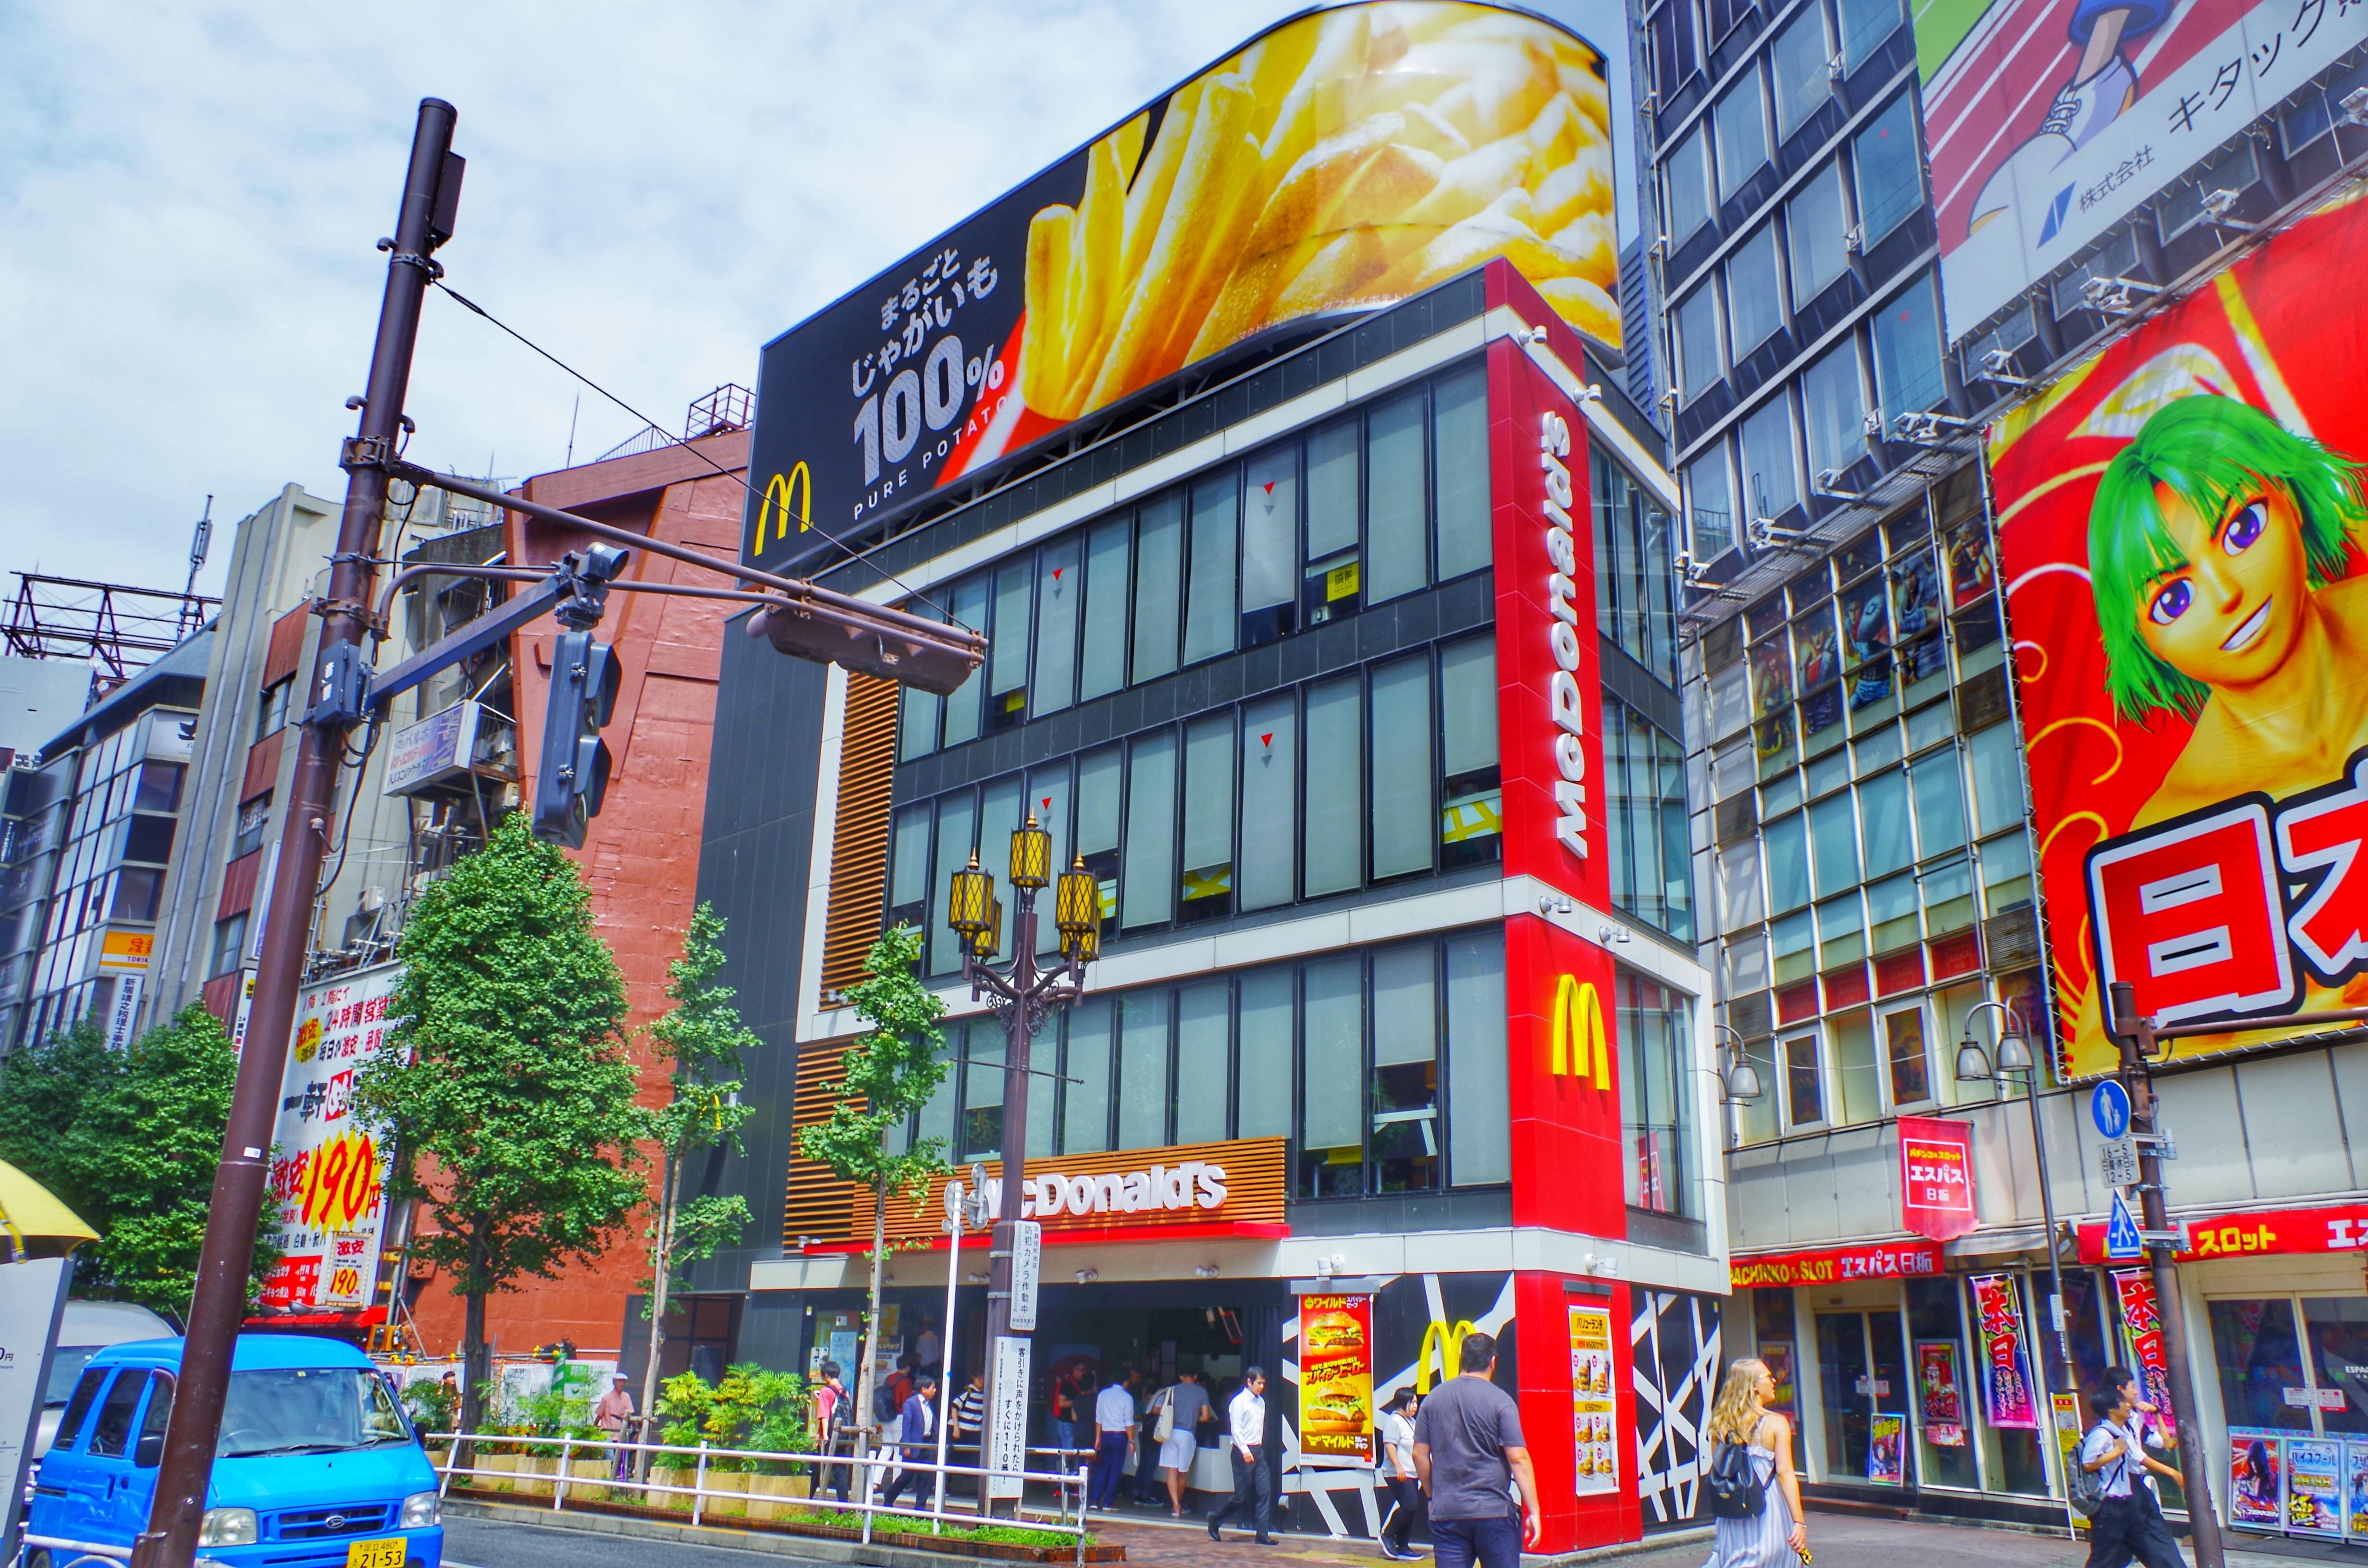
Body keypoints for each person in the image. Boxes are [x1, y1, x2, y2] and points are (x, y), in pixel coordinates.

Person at [2066, 394, 2368, 1051]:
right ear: (2143, 642)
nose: (2227, 595)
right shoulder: (2178, 822)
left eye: (2241, 530)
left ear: (2290, 499)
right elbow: (2100, 1051)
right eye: (2174, 597)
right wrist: (2277, 1019)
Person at [1412, 1332, 1539, 1568]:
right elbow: (1519, 1459)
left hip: (1447, 1513)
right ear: (1493, 1362)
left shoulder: (1432, 1400)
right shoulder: (1501, 1401)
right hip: (1493, 1513)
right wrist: (1534, 1511)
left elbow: (1419, 1455)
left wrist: (1432, 1497)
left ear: (1462, 1359)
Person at [1698, 1358, 1806, 1568]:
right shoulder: (1776, 1423)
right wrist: (1799, 1522)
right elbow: (1785, 1473)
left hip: (1732, 1514)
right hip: (1769, 1512)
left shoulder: (1720, 1425)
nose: (1774, 1380)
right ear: (1754, 1386)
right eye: (1768, 1377)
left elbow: (1721, 1471)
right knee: (1786, 1560)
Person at [2081, 1377, 2187, 1568]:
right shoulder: (2105, 1432)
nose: (2136, 1393)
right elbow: (2089, 1463)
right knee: (2108, 1555)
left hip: (2130, 1496)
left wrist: (2157, 1413)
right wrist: (2172, 1473)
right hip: (2116, 1500)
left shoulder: (2131, 1423)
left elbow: (2166, 1443)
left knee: (2146, 1543)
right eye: (2132, 1388)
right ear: (2119, 1392)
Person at [1207, 1367, 1275, 1545]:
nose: (1262, 1387)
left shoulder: (1261, 1402)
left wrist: (1255, 1451)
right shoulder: (1239, 1402)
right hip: (1241, 1451)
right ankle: (1215, 1518)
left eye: (1263, 1384)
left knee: (1265, 1492)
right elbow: (1236, 1430)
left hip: (1258, 1452)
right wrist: (1245, 1451)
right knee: (1241, 1496)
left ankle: (1262, 1534)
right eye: (1259, 1383)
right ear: (1249, 1382)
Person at [1153, 1369, 1213, 1519]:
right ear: (1196, 1376)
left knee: (1171, 1472)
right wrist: (1193, 1418)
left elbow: (1161, 1410)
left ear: (1180, 1376)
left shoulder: (1172, 1391)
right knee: (1183, 1473)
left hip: (1170, 1433)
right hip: (1188, 1434)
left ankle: (1175, 1506)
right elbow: (1206, 1417)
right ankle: (1179, 1502)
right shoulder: (1202, 1393)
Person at [880, 1372, 940, 1510]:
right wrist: (907, 1446)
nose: (935, 1390)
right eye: (932, 1388)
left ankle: (920, 1510)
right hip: (913, 1445)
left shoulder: (930, 1404)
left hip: (927, 1445)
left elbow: (933, 1423)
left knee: (926, 1478)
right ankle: (890, 1495)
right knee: (906, 1477)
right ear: (923, 1389)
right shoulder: (911, 1403)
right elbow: (906, 1425)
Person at [1377, 1387, 1424, 1561]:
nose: (1415, 1406)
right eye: (1412, 1402)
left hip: (1412, 1472)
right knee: (1410, 1505)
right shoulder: (1394, 1421)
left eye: (1416, 1403)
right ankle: (1388, 1536)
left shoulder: (1411, 1421)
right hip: (1397, 1472)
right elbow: (1390, 1445)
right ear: (1402, 1402)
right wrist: (1398, 1467)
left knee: (1411, 1509)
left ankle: (1403, 1546)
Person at [1089, 1366, 1136, 1510]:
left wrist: (1098, 1438)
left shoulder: (1103, 1394)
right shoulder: (1127, 1397)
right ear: (1126, 1382)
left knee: (1103, 1468)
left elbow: (1099, 1419)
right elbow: (1129, 1422)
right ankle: (1109, 1502)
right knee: (1115, 1470)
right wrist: (1131, 1441)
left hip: (1105, 1436)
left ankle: (1094, 1501)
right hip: (1120, 1437)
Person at [813, 1361, 852, 1503]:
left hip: (829, 1438)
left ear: (827, 1376)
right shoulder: (845, 1390)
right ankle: (843, 1509)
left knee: (815, 1470)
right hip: (842, 1436)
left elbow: (824, 1415)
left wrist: (824, 1437)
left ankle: (807, 1503)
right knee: (841, 1473)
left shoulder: (826, 1391)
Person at [592, 1372, 637, 1481]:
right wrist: (594, 1429)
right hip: (608, 1433)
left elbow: (630, 1414)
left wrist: (635, 1429)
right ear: (614, 1382)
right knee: (611, 1458)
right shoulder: (607, 1398)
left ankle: (617, 1478)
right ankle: (609, 1478)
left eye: (623, 1381)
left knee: (622, 1457)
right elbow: (599, 1416)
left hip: (621, 1433)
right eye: (619, 1381)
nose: (621, 1383)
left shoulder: (626, 1397)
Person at [1049, 1361, 1090, 1457]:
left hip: (1076, 1424)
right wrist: (1078, 1402)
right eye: (1082, 1370)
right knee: (1068, 1452)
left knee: (1075, 1452)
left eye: (1085, 1370)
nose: (1084, 1373)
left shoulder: (1081, 1384)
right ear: (1075, 1371)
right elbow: (1061, 1403)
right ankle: (1064, 1471)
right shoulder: (1068, 1384)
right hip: (1066, 1423)